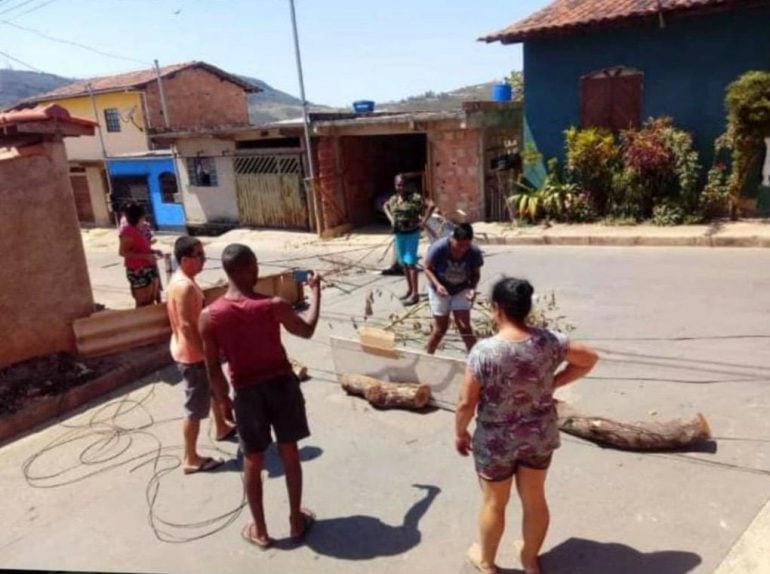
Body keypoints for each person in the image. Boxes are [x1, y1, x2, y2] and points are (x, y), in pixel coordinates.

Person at [455, 278, 598, 574]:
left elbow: (466, 403)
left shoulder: (484, 351)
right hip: (538, 436)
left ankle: (488, 563)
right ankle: (530, 559)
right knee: (534, 499)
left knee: (494, 502)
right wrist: (552, 383)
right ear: (526, 309)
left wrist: (460, 432)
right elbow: (589, 359)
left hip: (496, 442)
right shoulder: (550, 341)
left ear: (496, 309)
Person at [199, 243, 321, 549]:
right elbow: (306, 330)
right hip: (281, 385)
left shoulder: (209, 316)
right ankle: (295, 520)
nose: (257, 271)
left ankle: (262, 531)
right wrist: (316, 293)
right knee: (289, 450)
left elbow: (213, 366)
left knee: (252, 458)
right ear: (246, 268)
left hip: (246, 393)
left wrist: (223, 399)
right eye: (254, 265)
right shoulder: (273, 305)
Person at [167, 236, 236, 475]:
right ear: (185, 259)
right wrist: (206, 355)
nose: (203, 260)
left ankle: (221, 426)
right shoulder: (184, 286)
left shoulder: (181, 280)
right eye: (199, 256)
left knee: (214, 391)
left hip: (189, 351)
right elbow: (187, 325)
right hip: (191, 355)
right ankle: (191, 457)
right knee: (195, 409)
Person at [423, 223, 484, 355]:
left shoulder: (474, 252)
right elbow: (427, 268)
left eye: (466, 245)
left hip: (461, 289)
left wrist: (472, 288)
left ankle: (476, 360)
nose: (463, 249)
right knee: (440, 328)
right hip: (439, 290)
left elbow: (476, 274)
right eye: (460, 245)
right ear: (453, 239)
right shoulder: (439, 248)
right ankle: (428, 354)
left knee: (465, 327)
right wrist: (438, 285)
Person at [383, 173, 434, 306]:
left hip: (412, 233)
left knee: (410, 262)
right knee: (403, 263)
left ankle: (415, 294)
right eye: (398, 185)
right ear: (395, 186)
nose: (400, 187)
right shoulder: (394, 199)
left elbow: (431, 205)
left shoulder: (415, 198)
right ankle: (410, 289)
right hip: (399, 234)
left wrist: (423, 221)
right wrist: (391, 220)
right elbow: (385, 206)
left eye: (403, 185)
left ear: (407, 185)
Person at [118, 201, 162, 307]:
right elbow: (123, 252)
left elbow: (140, 248)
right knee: (143, 302)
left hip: (148, 266)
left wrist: (153, 252)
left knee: (152, 298)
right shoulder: (127, 231)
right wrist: (146, 256)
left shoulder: (141, 228)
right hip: (137, 270)